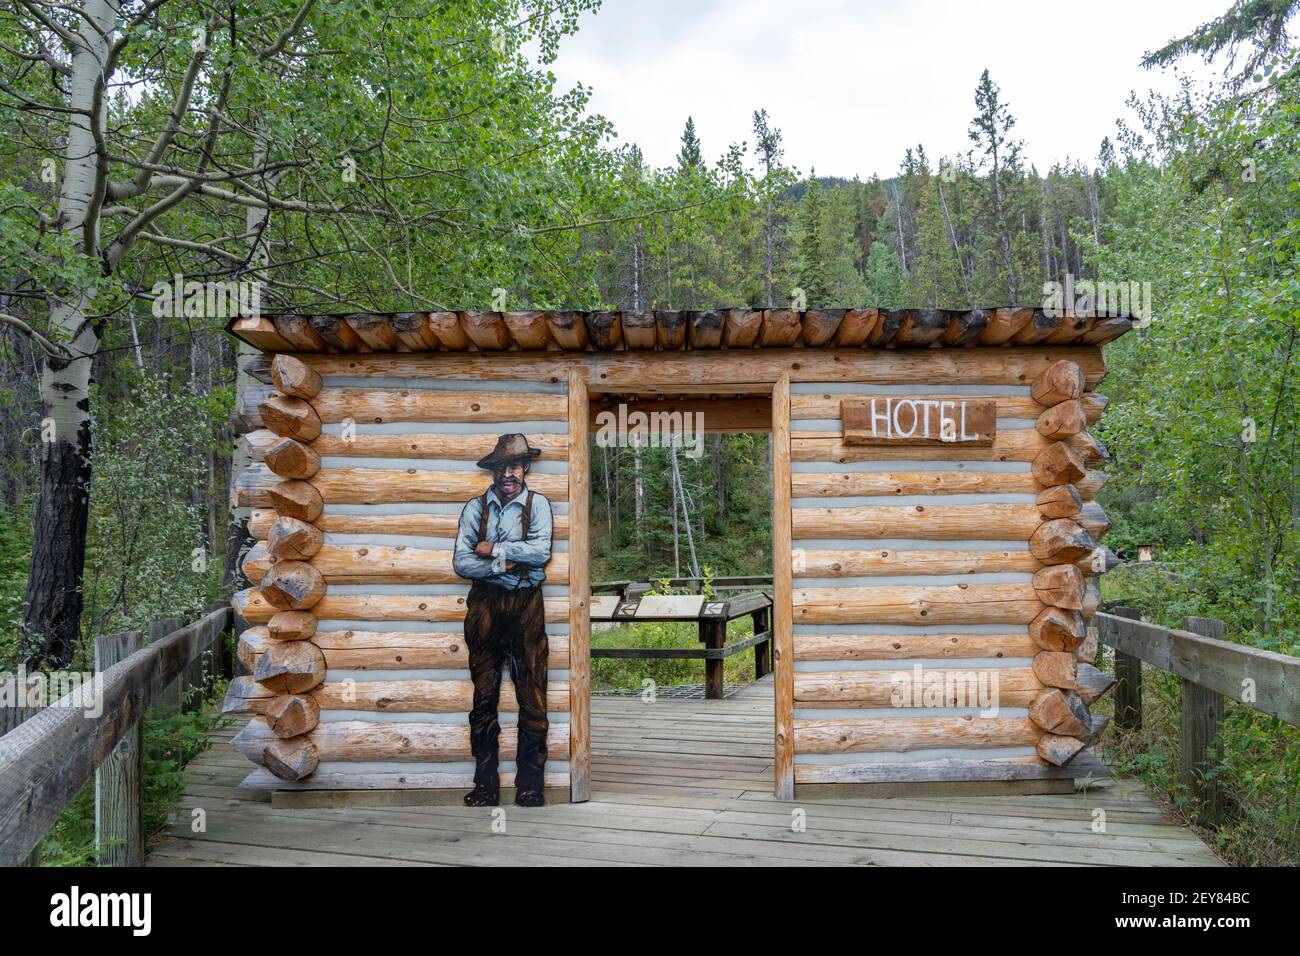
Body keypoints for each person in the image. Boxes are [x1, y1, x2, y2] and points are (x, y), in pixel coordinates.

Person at [452, 433, 554, 807]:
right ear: (493, 471)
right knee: (483, 698)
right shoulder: (475, 508)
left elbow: (541, 552)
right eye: (501, 467)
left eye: (514, 466)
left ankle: (530, 786)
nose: (508, 473)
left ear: (525, 468)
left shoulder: (538, 505)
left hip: (526, 605)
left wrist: (493, 551)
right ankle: (485, 786)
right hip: (484, 607)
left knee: (532, 696)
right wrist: (510, 561)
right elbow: (462, 562)